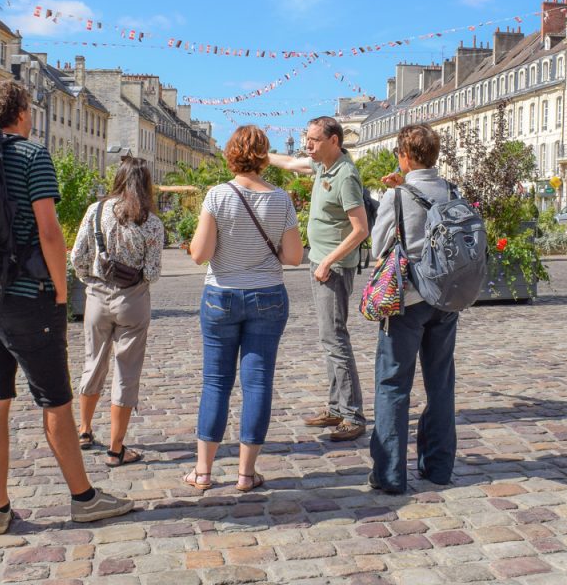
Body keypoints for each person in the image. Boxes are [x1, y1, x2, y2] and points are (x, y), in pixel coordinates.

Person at [0, 80, 133, 534]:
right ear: (21, 113)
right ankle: (83, 498)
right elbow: (49, 230)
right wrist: (61, 292)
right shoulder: (30, 155)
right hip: (27, 294)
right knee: (56, 400)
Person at [185, 126, 303, 492]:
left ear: (231, 154)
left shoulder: (218, 196)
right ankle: (246, 474)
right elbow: (295, 257)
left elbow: (201, 253)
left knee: (216, 382)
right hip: (267, 295)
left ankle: (203, 472)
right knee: (258, 382)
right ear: (265, 156)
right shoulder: (281, 199)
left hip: (220, 295)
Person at [367, 124, 460, 495]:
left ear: (404, 156)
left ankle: (390, 472)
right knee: (441, 384)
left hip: (406, 299)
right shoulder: (452, 191)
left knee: (392, 384)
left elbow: (378, 247)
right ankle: (438, 466)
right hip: (446, 299)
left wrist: (391, 194)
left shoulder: (397, 196)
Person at [268, 117, 369, 442]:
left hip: (334, 269)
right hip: (322, 264)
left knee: (335, 338)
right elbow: (289, 163)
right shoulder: (323, 167)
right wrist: (260, 154)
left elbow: (360, 230)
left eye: (313, 140)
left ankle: (353, 415)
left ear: (334, 141)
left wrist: (327, 261)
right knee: (328, 339)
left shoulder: (345, 175)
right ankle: (336, 408)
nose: (307, 145)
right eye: (306, 139)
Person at [70, 157, 164, 467]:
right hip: (132, 299)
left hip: (97, 295)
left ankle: (84, 430)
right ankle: (116, 447)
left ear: (119, 180)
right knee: (127, 370)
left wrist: (90, 280)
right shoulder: (151, 222)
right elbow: (152, 271)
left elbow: (77, 256)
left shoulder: (96, 211)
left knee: (93, 361)